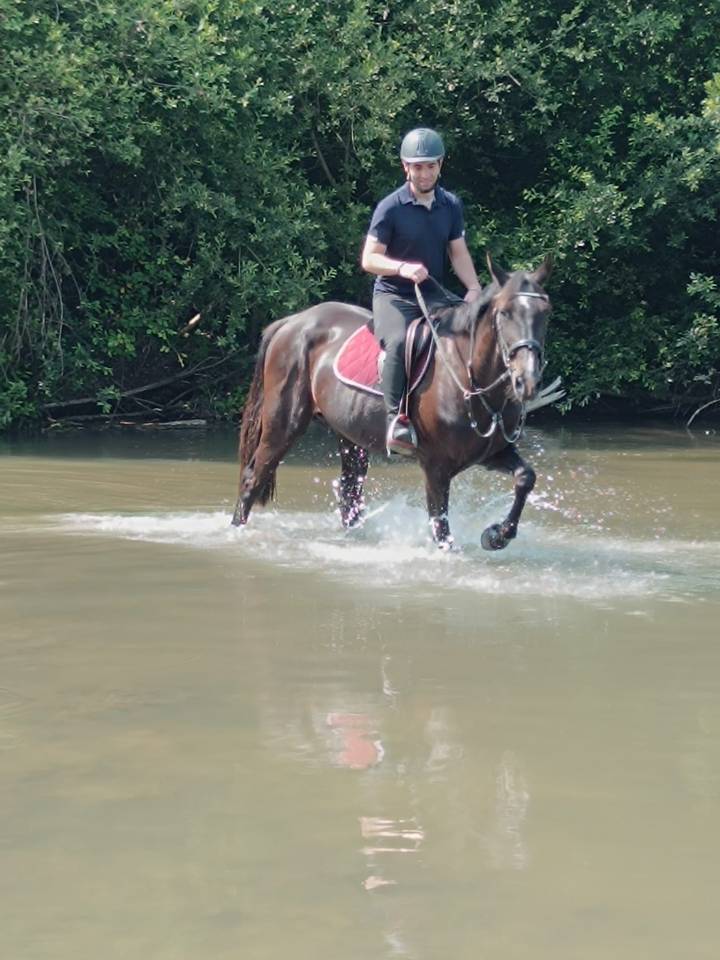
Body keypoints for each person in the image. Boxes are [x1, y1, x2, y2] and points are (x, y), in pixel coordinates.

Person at [361, 127, 482, 455]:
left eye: (430, 165)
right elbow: (369, 259)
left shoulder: (450, 205)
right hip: (394, 296)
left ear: (440, 165)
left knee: (473, 333)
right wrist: (401, 267)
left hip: (432, 295)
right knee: (400, 342)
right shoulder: (391, 207)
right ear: (406, 168)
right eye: (417, 166)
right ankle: (395, 421)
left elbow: (457, 252)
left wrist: (473, 287)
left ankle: (473, 413)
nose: (425, 172)